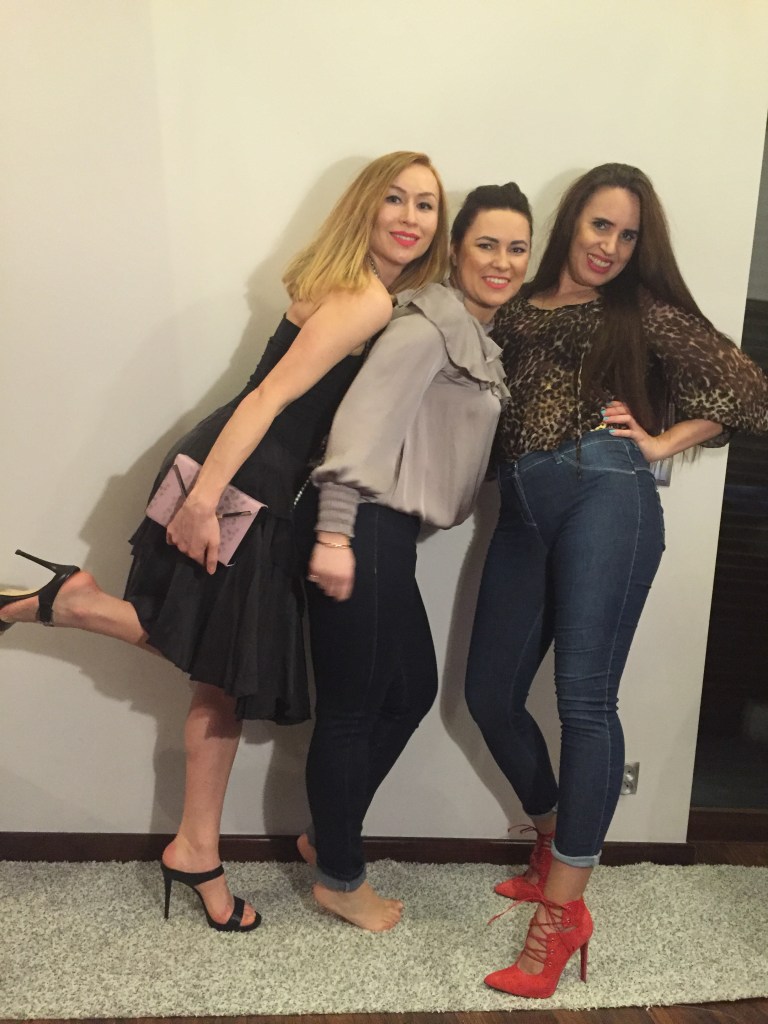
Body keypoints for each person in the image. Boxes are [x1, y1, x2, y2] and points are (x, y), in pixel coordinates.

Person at [0, 150, 448, 932]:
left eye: (426, 204)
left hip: (245, 479)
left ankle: (195, 846)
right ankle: (75, 604)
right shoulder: (366, 299)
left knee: (224, 676)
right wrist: (206, 499)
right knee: (231, 666)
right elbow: (270, 397)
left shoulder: (346, 284)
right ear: (365, 207)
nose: (411, 217)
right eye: (395, 198)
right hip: (245, 486)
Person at [464, 163, 768, 997]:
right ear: (571, 221)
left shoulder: (637, 310)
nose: (610, 246)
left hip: (607, 494)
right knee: (489, 694)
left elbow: (749, 389)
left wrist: (663, 441)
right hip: (523, 510)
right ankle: (553, 834)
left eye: (628, 235)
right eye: (600, 225)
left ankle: (562, 915)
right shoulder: (516, 305)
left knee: (585, 701)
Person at [292, 183, 533, 931]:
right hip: (359, 522)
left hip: (390, 534)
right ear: (456, 250)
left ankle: (327, 836)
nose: (501, 261)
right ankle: (339, 876)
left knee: (410, 690)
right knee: (352, 708)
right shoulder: (427, 327)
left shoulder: (473, 337)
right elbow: (359, 429)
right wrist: (335, 535)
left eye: (517, 248)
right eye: (486, 244)